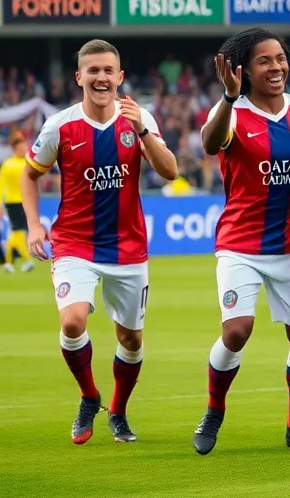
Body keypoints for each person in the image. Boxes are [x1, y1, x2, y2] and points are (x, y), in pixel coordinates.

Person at [21, 39, 179, 444]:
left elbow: (170, 171)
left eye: (108, 70)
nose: (101, 77)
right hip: (75, 242)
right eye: (93, 70)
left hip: (127, 247)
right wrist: (35, 226)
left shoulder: (138, 118)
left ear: (120, 77)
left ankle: (120, 412)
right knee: (73, 322)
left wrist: (142, 129)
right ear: (79, 77)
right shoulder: (60, 125)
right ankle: (90, 397)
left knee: (130, 338)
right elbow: (30, 174)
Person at [191, 27, 290, 455]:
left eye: (280, 58)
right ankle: (213, 410)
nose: (276, 66)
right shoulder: (231, 111)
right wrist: (228, 98)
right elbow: (210, 144)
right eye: (265, 60)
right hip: (240, 245)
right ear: (243, 70)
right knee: (237, 330)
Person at [0, 132, 34, 271]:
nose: (24, 147)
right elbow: (0, 184)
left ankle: (8, 262)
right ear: (15, 148)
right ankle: (27, 259)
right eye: (21, 145)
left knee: (17, 231)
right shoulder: (8, 164)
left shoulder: (27, 161)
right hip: (12, 202)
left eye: (24, 144)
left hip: (26, 201)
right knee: (19, 230)